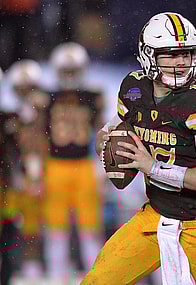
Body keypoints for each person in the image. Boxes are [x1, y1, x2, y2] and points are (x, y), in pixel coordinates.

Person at [81, 12, 196, 284]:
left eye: (187, 54)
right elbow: (108, 132)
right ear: (148, 55)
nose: (181, 62)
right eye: (170, 54)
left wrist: (152, 167)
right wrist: (106, 146)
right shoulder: (135, 89)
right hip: (156, 216)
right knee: (97, 281)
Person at [43, 42, 103, 282]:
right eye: (65, 71)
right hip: (56, 165)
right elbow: (38, 133)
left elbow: (101, 133)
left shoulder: (92, 96)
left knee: (90, 226)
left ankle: (98, 276)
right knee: (56, 226)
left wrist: (102, 164)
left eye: (73, 71)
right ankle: (57, 276)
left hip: (83, 165)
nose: (69, 76)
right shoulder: (47, 97)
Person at [7, 59, 49, 280]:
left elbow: (40, 144)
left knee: (40, 224)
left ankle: (39, 266)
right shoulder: (11, 113)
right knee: (17, 224)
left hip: (39, 172)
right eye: (21, 88)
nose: (25, 93)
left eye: (29, 88)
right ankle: (20, 266)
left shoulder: (42, 110)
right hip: (15, 174)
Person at [0, 67, 21, 285]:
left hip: (5, 186)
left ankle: (6, 276)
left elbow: (15, 153)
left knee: (8, 232)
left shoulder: (8, 117)